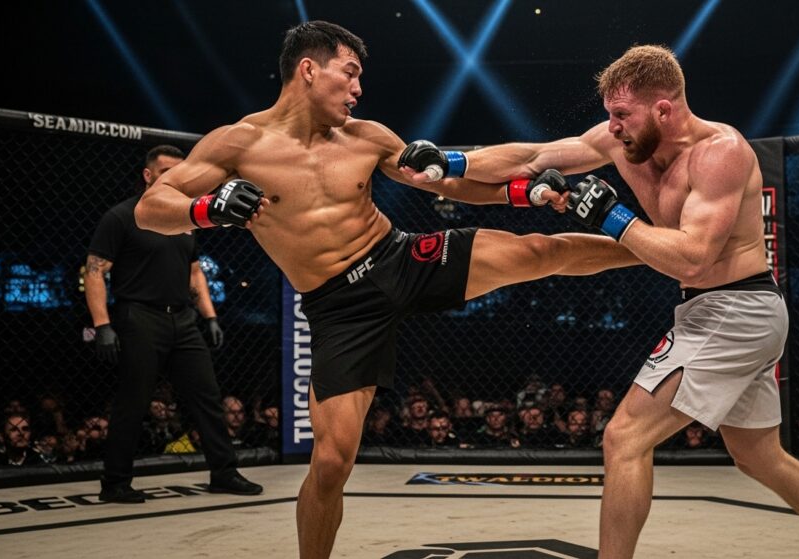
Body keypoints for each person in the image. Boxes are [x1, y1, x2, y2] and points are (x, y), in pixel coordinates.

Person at [134, 21, 639, 557]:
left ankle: (660, 251)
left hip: (399, 258)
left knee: (541, 252)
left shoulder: (367, 136)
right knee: (330, 464)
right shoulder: (237, 143)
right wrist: (205, 208)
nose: (358, 89)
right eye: (349, 73)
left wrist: (522, 191)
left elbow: (448, 181)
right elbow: (150, 209)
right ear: (308, 69)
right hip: (339, 306)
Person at [427, 44, 799, 558]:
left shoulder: (721, 153)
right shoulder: (623, 140)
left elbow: (693, 257)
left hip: (735, 308)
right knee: (760, 457)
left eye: (622, 115)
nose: (613, 128)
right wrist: (452, 160)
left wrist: (612, 219)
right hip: (719, 310)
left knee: (625, 438)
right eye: (610, 116)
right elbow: (535, 156)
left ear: (663, 109)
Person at [85, 144, 262, 503]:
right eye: (166, 172)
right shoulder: (122, 216)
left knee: (208, 396)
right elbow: (94, 269)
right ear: (148, 176)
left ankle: (224, 473)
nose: (175, 178)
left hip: (182, 318)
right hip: (140, 317)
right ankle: (115, 482)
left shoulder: (184, 221)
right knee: (133, 401)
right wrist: (102, 324)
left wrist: (210, 316)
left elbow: (195, 272)